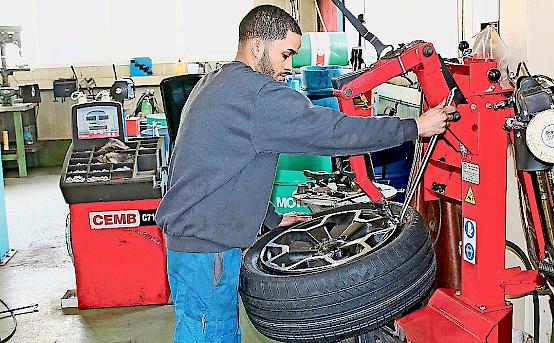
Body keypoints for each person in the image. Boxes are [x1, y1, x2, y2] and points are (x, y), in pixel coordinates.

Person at [155, 4, 456, 343]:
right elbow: (333, 132)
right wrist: (415, 126)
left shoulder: (216, 82)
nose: (288, 67)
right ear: (258, 46)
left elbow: (218, 166)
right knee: (212, 335)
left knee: (214, 329)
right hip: (206, 250)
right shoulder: (257, 94)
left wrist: (270, 218)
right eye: (285, 54)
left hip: (196, 241)